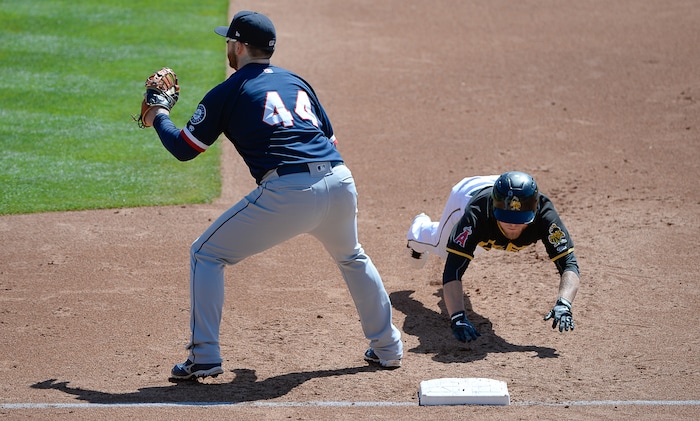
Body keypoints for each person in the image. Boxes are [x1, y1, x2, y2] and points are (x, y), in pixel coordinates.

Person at [141, 10, 403, 379]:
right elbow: (328, 140)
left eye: (229, 41)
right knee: (352, 257)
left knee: (206, 253)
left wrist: (159, 115)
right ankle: (388, 348)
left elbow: (185, 147)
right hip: (340, 181)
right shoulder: (297, 82)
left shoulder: (229, 90)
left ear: (241, 46)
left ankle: (204, 357)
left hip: (290, 192)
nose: (227, 48)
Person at [406, 171, 580, 343]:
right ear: (495, 208)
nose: (512, 224)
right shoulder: (477, 214)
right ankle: (419, 227)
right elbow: (453, 270)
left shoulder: (545, 215)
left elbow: (568, 264)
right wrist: (457, 317)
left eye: (519, 218)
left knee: (476, 248)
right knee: (442, 248)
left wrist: (564, 303)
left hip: (504, 193)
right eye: (507, 217)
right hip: (466, 195)